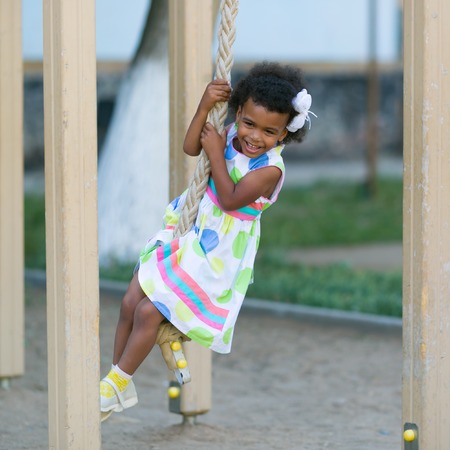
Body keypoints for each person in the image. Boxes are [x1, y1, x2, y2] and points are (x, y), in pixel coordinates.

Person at [100, 61, 314, 417]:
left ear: (284, 136)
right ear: (239, 112)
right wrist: (203, 108)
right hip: (191, 226)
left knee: (149, 310)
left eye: (269, 131)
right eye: (248, 123)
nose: (254, 136)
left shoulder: (271, 169)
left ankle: (118, 380)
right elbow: (189, 147)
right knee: (129, 302)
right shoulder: (229, 132)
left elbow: (230, 199)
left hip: (217, 250)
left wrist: (217, 150)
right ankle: (117, 379)